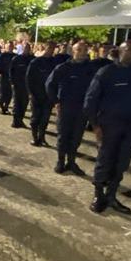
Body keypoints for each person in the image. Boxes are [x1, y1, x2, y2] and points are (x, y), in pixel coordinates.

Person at [84, 38, 131, 215]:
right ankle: (98, 195)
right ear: (120, 51)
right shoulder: (107, 72)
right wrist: (95, 126)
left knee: (121, 163)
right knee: (104, 160)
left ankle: (112, 195)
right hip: (109, 125)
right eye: (130, 49)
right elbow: (90, 100)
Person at [46, 40, 103, 175]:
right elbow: (49, 85)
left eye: (84, 50)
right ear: (73, 51)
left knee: (76, 137)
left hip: (82, 109)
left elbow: (98, 88)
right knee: (63, 136)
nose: (82, 53)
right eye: (79, 50)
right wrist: (56, 102)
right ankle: (60, 162)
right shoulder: (63, 68)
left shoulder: (91, 69)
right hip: (65, 108)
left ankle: (71, 162)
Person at [27, 42, 68, 147]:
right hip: (36, 94)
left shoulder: (54, 63)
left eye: (53, 48)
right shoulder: (36, 62)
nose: (51, 49)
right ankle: (35, 137)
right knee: (35, 118)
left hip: (48, 96)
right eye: (49, 47)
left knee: (45, 118)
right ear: (45, 47)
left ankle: (42, 137)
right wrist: (31, 93)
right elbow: (29, 78)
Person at [9, 41, 32, 128]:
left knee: (24, 103)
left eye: (28, 48)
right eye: (25, 48)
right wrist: (12, 82)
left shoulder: (32, 59)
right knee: (16, 102)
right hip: (17, 84)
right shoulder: (16, 59)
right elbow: (11, 71)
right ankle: (15, 121)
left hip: (27, 86)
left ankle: (20, 120)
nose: (26, 49)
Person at [0, 42, 14, 114]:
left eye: (11, 46)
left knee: (9, 94)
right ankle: (2, 107)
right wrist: (0, 72)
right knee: (2, 93)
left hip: (11, 78)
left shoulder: (15, 56)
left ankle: (6, 107)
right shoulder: (3, 55)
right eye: (9, 46)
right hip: (3, 77)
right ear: (6, 47)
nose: (10, 47)